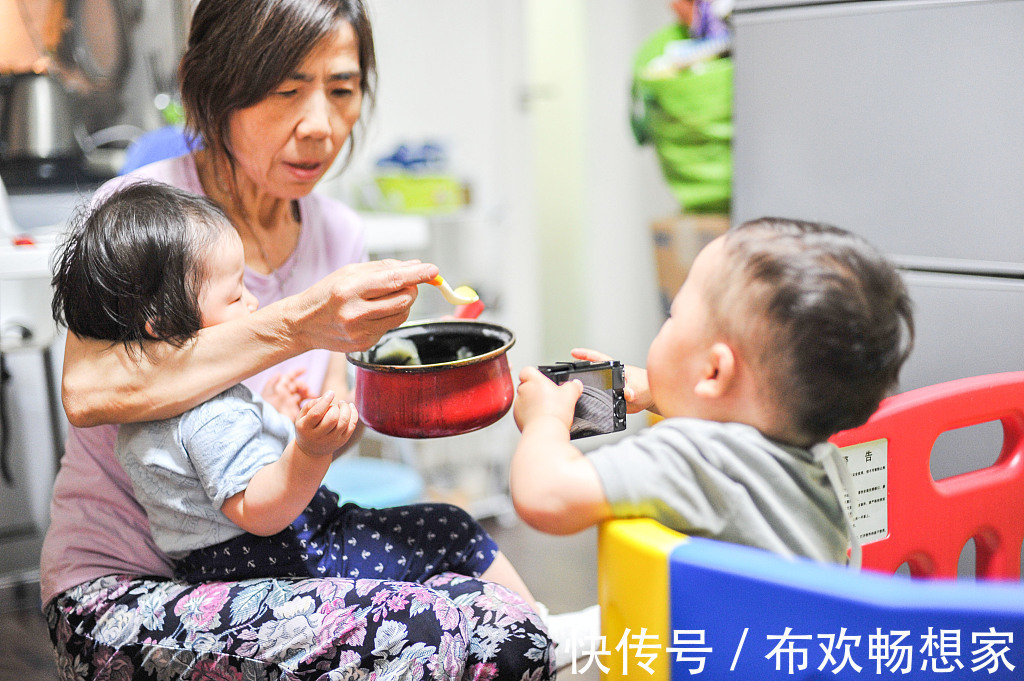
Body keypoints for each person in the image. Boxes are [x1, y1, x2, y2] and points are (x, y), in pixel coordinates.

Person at [41, 2, 554, 679]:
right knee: (447, 631)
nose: (320, 125)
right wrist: (299, 324)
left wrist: (384, 402)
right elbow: (88, 391)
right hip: (123, 587)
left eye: (341, 90)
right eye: (286, 90)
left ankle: (551, 635)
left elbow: (324, 427)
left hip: (275, 555)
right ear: (207, 85)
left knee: (484, 603)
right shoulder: (145, 218)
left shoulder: (338, 232)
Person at [52, 180, 540, 604]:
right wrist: (308, 450)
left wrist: (277, 420)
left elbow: (215, 479)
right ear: (160, 325)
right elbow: (258, 511)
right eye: (235, 295)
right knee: (451, 530)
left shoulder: (156, 408)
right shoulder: (210, 413)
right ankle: (544, 629)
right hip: (274, 557)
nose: (254, 302)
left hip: (222, 564)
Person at [510, 217, 915, 567]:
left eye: (673, 315)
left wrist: (546, 420)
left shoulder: (692, 460)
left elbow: (547, 495)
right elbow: (736, 424)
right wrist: (660, 391)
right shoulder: (818, 457)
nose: (667, 322)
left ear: (714, 371)